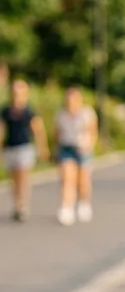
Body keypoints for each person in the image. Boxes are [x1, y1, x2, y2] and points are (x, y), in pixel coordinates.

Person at [0, 79, 49, 221]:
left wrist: (42, 147)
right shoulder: (6, 110)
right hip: (10, 147)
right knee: (13, 178)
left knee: (23, 176)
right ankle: (17, 204)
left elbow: (38, 130)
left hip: (24, 147)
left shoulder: (29, 111)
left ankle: (23, 205)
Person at [55, 87, 98, 226]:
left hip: (83, 149)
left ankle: (84, 202)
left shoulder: (87, 114)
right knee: (67, 178)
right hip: (67, 147)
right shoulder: (61, 115)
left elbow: (93, 132)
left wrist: (89, 145)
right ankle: (67, 207)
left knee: (83, 180)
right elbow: (57, 133)